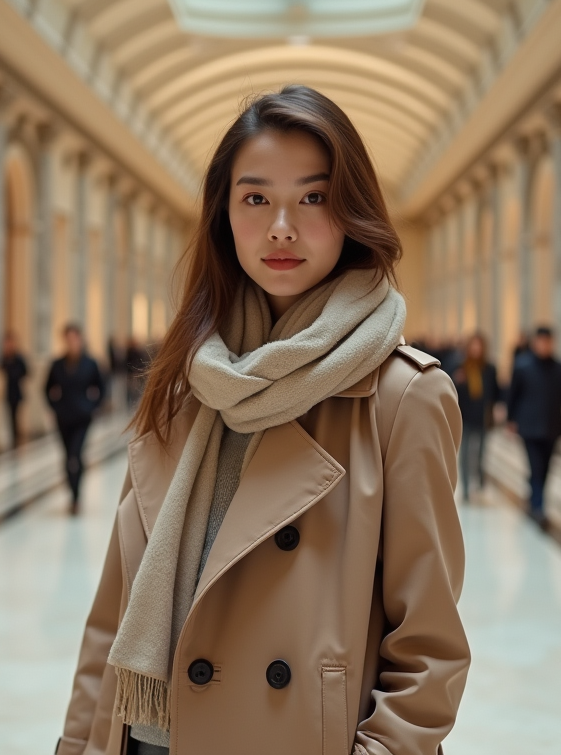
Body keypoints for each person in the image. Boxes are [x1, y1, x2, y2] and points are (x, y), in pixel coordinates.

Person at [55, 86, 468, 755]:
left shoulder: (402, 397)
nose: (282, 226)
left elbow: (428, 649)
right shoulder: (185, 380)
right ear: (223, 215)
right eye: (255, 198)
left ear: (350, 211)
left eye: (312, 198)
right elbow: (114, 613)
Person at [507, 325, 561, 528]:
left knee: (545, 468)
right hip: (529, 427)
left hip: (552, 426)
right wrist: (511, 420)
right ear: (535, 342)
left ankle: (536, 496)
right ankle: (539, 508)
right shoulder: (522, 366)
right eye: (541, 341)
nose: (544, 345)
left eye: (548, 342)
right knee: (536, 466)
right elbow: (513, 395)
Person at [46, 324, 106, 515]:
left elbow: (102, 387)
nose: (71, 342)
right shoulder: (57, 364)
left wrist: (93, 407)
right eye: (68, 339)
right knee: (67, 457)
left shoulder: (90, 363)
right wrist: (55, 407)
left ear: (80, 339)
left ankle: (76, 497)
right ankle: (72, 492)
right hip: (63, 418)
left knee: (76, 454)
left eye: (74, 338)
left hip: (82, 417)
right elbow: (47, 389)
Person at [453, 332, 499, 499]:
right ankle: (465, 488)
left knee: (480, 452)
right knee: (464, 453)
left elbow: (495, 392)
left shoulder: (490, 368)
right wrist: (458, 380)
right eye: (473, 345)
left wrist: (497, 409)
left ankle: (479, 480)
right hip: (464, 416)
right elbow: (451, 390)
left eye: (479, 346)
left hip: (482, 416)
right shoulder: (461, 367)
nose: (476, 349)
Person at [0, 330, 28, 449]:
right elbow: (0, 369)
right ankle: (12, 437)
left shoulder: (19, 357)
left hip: (17, 391)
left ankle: (16, 437)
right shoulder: (5, 357)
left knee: (16, 415)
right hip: (8, 391)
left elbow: (26, 372)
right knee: (9, 415)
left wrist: (16, 375)